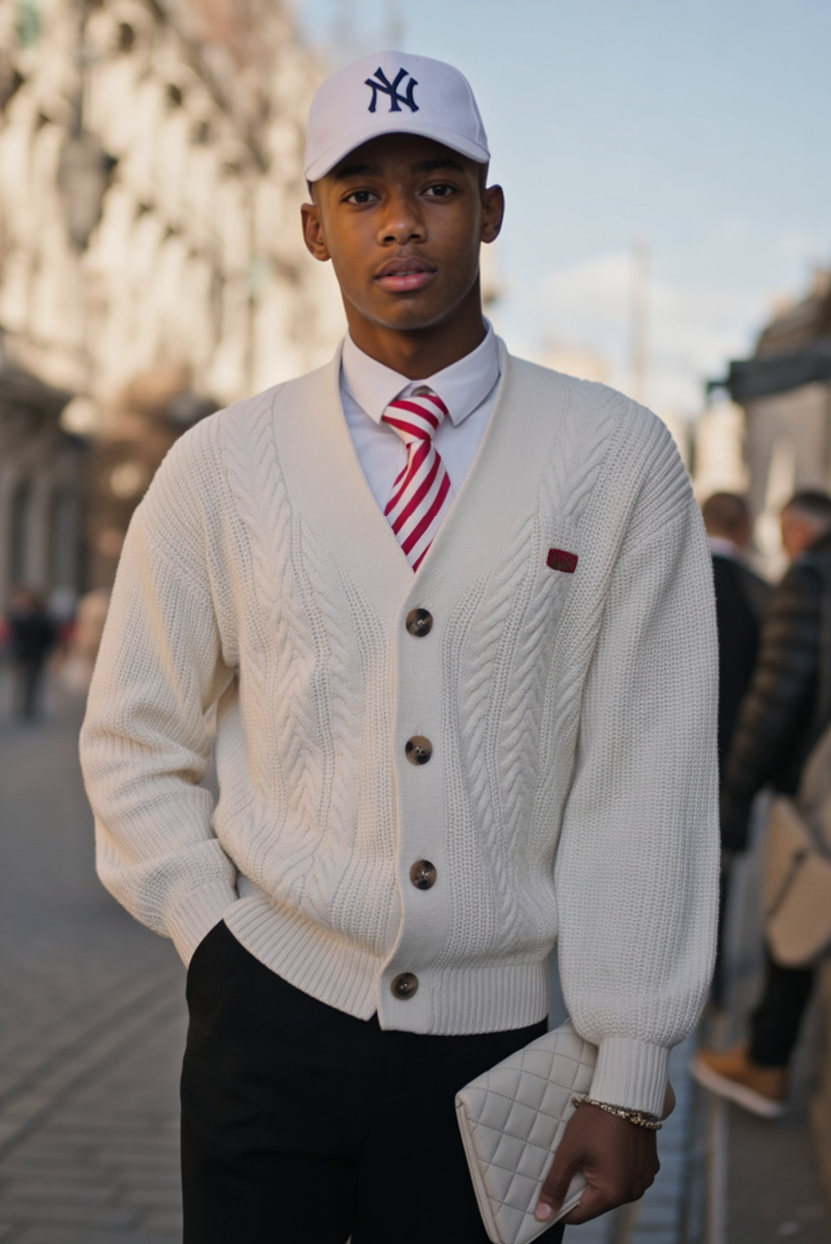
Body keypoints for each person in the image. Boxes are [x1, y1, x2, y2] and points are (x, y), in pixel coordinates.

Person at [80, 52, 719, 1243]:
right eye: (361, 193)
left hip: (502, 1053)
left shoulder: (617, 460)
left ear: (489, 211)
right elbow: (135, 733)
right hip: (267, 1025)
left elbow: (646, 774)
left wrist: (629, 1063)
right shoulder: (221, 466)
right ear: (314, 228)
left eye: (433, 184)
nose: (400, 223)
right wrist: (209, 938)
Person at [692, 490, 831, 1117]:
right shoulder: (761, 586)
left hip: (806, 782)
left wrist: (744, 783)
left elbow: (779, 691)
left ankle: (761, 1058)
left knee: (796, 905)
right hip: (779, 765)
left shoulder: (806, 579)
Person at [701, 492, 770, 1002]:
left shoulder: (667, 575)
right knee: (715, 875)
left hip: (659, 754)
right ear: (744, 527)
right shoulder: (760, 592)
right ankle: (712, 976)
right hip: (730, 758)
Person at [7, 586, 56, 721]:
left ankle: (29, 708)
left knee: (32, 682)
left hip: (35, 654)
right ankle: (20, 707)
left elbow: (48, 635)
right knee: (19, 681)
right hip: (19, 655)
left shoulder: (40, 616)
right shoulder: (15, 615)